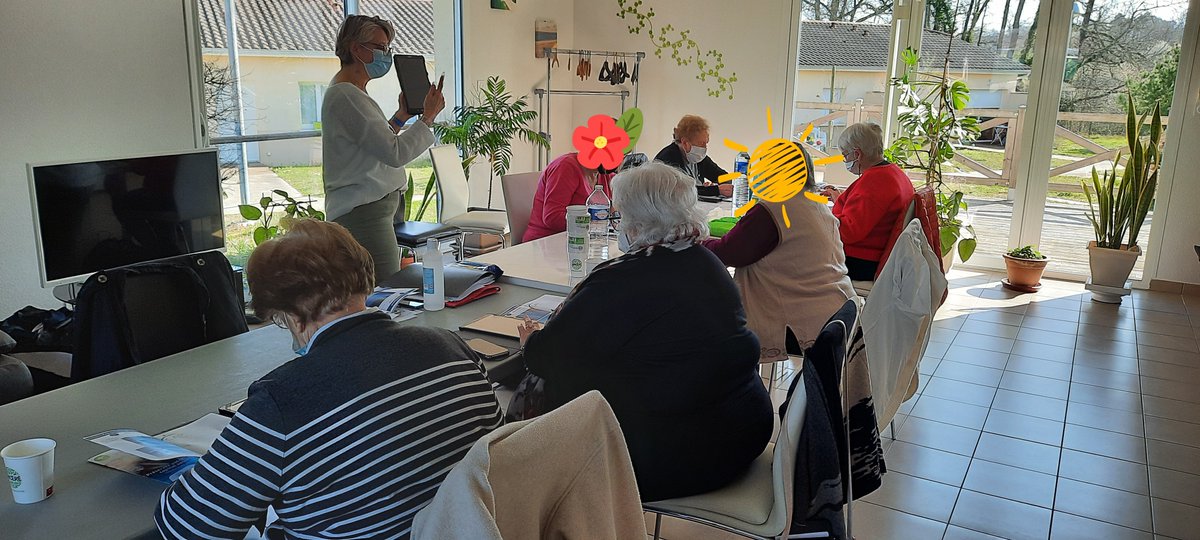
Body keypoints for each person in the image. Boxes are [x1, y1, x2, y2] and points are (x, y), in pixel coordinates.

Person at [154, 220, 504, 540]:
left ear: (291, 315)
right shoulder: (451, 346)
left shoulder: (281, 403)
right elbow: (495, 455)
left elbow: (188, 528)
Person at [516, 162, 772, 501]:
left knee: (537, 386)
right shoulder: (705, 260)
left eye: (620, 215)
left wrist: (529, 341)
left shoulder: (622, 279)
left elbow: (547, 357)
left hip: (680, 457)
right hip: (742, 431)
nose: (618, 223)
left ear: (638, 222)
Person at [321, 15, 446, 281]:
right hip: (365, 212)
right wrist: (427, 117)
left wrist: (401, 116)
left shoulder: (354, 93)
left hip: (374, 209)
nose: (386, 55)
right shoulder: (345, 95)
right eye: (380, 47)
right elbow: (395, 153)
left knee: (381, 288)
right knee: (386, 288)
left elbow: (374, 145)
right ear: (356, 48)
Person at [702, 143, 856, 358]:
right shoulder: (814, 203)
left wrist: (698, 240)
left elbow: (729, 253)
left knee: (704, 321)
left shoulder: (775, 207)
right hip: (838, 310)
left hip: (802, 321)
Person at [821, 122, 915, 281]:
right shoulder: (894, 173)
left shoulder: (874, 182)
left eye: (845, 155)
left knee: (797, 253)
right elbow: (865, 210)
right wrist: (839, 199)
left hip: (860, 261)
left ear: (857, 154)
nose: (845, 160)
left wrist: (820, 212)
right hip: (877, 254)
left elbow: (847, 232)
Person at [523, 152, 614, 242]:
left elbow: (616, 209)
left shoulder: (605, 174)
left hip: (586, 241)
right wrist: (594, 223)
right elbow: (552, 218)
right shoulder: (565, 166)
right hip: (546, 241)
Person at [654, 115, 734, 198]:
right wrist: (715, 190)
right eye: (701, 144)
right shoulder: (667, 160)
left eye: (706, 143)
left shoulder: (698, 157)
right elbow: (682, 191)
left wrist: (714, 186)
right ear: (685, 143)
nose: (705, 148)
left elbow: (723, 177)